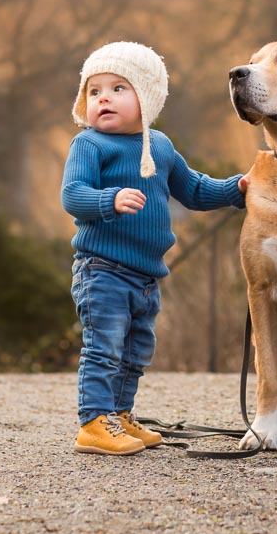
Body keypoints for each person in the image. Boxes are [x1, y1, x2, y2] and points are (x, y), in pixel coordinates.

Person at [61, 41, 249, 455]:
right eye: (94, 91)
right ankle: (94, 421)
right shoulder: (90, 145)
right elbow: (73, 195)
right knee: (105, 345)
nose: (103, 98)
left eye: (118, 88)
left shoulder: (160, 146)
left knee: (135, 351)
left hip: (147, 275)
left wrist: (236, 190)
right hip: (102, 268)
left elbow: (194, 189)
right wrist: (107, 200)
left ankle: (120, 415)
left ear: (146, 97)